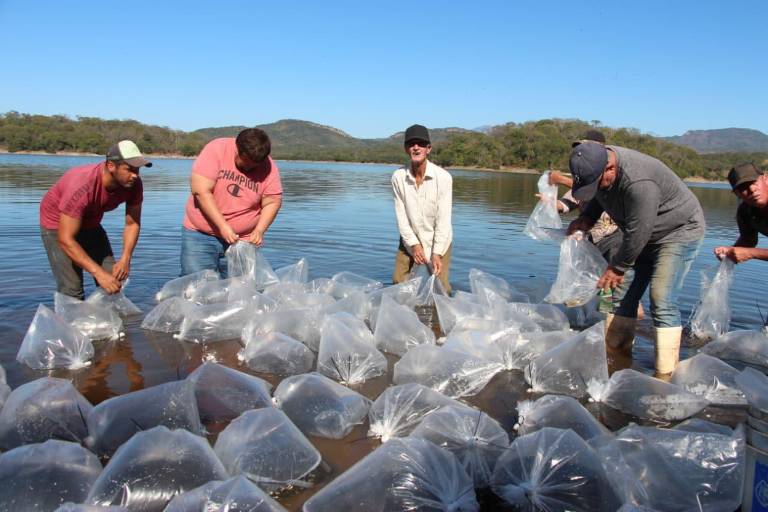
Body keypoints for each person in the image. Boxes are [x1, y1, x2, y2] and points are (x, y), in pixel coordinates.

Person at [566, 141, 705, 376]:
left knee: (661, 297)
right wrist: (588, 218)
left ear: (610, 169)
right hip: (640, 233)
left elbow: (639, 231)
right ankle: (616, 360)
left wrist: (618, 267)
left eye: (598, 182)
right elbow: (601, 196)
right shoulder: (597, 164)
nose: (596, 187)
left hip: (677, 232)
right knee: (619, 294)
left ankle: (665, 374)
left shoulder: (640, 182)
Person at [39, 140, 150, 300]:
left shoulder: (134, 184)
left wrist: (126, 259)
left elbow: (132, 223)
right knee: (72, 289)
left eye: (137, 170)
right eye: (129, 169)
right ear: (111, 166)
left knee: (114, 279)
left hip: (90, 223)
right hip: (57, 225)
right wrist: (98, 273)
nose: (135, 175)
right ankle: (70, 323)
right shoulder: (82, 185)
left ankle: (107, 323)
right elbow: (65, 239)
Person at [181, 128, 282, 276]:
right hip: (200, 235)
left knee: (239, 289)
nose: (249, 168)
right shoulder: (217, 149)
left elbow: (272, 201)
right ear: (237, 149)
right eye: (246, 162)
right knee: (194, 285)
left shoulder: (269, 166)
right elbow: (201, 192)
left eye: (255, 165)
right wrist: (222, 226)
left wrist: (260, 230)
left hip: (243, 240)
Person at [391, 124, 453, 293]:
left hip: (438, 240)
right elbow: (401, 218)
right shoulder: (398, 177)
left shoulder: (443, 178)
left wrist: (437, 253)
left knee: (441, 289)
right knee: (399, 283)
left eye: (420, 144)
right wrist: (414, 245)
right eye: (411, 144)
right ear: (406, 149)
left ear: (428, 149)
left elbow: (443, 221)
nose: (416, 147)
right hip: (410, 239)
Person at [714, 163, 768, 263]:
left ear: (766, 179)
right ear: (737, 194)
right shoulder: (745, 212)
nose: (752, 189)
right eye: (743, 187)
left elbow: (749, 251)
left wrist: (751, 253)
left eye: (754, 182)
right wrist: (730, 251)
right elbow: (748, 240)